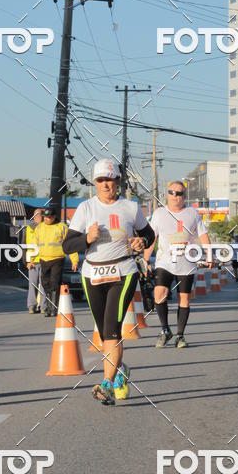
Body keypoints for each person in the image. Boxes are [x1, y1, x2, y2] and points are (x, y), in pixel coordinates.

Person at [62, 158, 155, 405]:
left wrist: (141, 242)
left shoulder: (130, 208)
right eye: (101, 180)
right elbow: (67, 245)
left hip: (123, 273)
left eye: (110, 180)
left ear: (118, 181)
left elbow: (148, 233)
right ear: (95, 183)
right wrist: (87, 239)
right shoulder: (86, 208)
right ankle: (120, 372)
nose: (106, 185)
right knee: (105, 335)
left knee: (113, 329)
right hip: (92, 274)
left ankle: (106, 385)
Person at [144, 181, 211, 349]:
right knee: (159, 293)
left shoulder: (192, 213)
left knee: (184, 299)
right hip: (164, 262)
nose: (175, 196)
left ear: (184, 196)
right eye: (171, 192)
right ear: (167, 194)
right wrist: (145, 260)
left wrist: (209, 255)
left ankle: (180, 336)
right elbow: (151, 238)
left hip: (186, 263)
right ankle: (165, 329)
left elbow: (203, 235)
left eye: (179, 193)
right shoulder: (159, 213)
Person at [34, 206, 78, 316]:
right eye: (45, 217)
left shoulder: (62, 227)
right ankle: (48, 308)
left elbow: (70, 245)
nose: (47, 219)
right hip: (44, 259)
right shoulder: (39, 228)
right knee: (45, 284)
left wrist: (74, 260)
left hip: (57, 259)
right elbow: (34, 245)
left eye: (49, 217)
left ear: (54, 217)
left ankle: (53, 309)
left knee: (54, 283)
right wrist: (31, 260)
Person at [26, 209, 43, 313]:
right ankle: (32, 306)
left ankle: (43, 307)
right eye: (35, 215)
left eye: (39, 215)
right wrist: (28, 261)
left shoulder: (46, 227)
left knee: (44, 285)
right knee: (33, 285)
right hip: (33, 261)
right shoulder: (29, 228)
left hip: (45, 259)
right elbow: (25, 245)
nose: (37, 217)